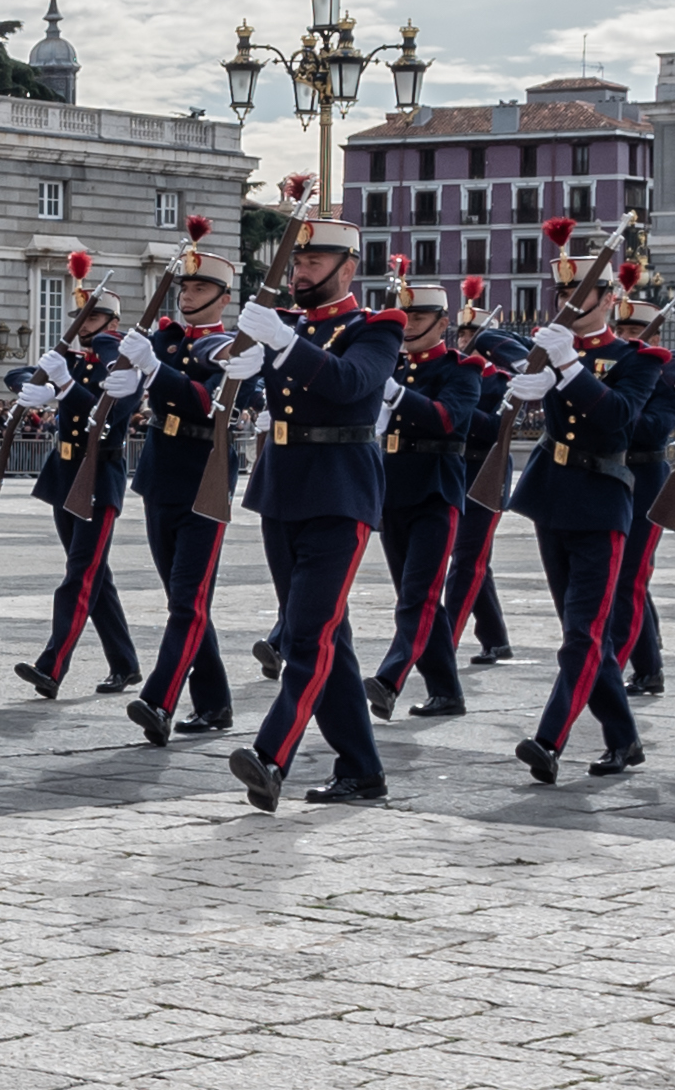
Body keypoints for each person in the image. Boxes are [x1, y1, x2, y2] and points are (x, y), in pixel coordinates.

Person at [219, 209, 406, 812]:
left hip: (340, 490)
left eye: (315, 261)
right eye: (297, 260)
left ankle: (273, 755)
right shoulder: (287, 325)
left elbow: (350, 384)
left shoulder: (378, 328)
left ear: (348, 266)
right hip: (283, 488)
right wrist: (243, 365)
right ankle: (363, 770)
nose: (301, 271)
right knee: (329, 638)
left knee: (308, 634)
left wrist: (282, 345)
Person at [505, 219, 671, 786]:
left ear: (610, 298)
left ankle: (549, 740)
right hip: (554, 499)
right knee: (583, 634)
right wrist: (528, 388)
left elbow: (619, 424)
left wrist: (569, 370)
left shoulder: (639, 360)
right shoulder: (551, 351)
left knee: (582, 633)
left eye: (583, 295)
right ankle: (623, 737)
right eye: (563, 295)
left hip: (602, 502)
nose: (570, 305)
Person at [122, 225, 245, 746]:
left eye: (198, 290)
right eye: (185, 289)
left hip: (205, 474)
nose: (187, 297)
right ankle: (214, 703)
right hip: (161, 470)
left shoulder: (232, 347)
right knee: (184, 597)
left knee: (188, 601)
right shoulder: (166, 337)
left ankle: (160, 698)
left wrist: (155, 372)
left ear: (223, 296)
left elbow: (207, 403)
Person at [14, 259, 144, 701]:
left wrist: (65, 388)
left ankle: (52, 665)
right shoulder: (74, 356)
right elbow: (23, 372)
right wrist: (41, 386)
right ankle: (125, 663)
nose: (84, 325)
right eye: (81, 318)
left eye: (93, 317)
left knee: (79, 576)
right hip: (63, 473)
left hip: (97, 474)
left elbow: (108, 410)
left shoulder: (124, 364)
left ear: (112, 320)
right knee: (93, 574)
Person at [363, 275, 490, 722]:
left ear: (442, 323)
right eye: (405, 316)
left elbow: (447, 418)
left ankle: (390, 678)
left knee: (416, 595)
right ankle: (446, 691)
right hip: (392, 489)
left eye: (419, 317)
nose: (409, 324)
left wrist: (398, 396)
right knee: (419, 597)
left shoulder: (462, 369)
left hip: (437, 491)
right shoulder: (391, 366)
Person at [612, 265, 675, 698]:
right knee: (623, 576)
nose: (626, 338)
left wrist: (614, 407)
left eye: (635, 331)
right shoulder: (613, 368)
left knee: (632, 576)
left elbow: (654, 429)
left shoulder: (667, 376)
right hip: (613, 474)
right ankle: (648, 658)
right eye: (621, 329)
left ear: (654, 337)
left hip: (646, 475)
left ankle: (636, 666)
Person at [445, 284, 520, 669]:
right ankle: (495, 638)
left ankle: (446, 639)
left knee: (468, 560)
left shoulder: (502, 380)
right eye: (461, 334)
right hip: (455, 470)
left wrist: (453, 408)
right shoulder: (451, 372)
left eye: (472, 336)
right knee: (474, 560)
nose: (465, 341)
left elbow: (495, 429)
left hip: (486, 469)